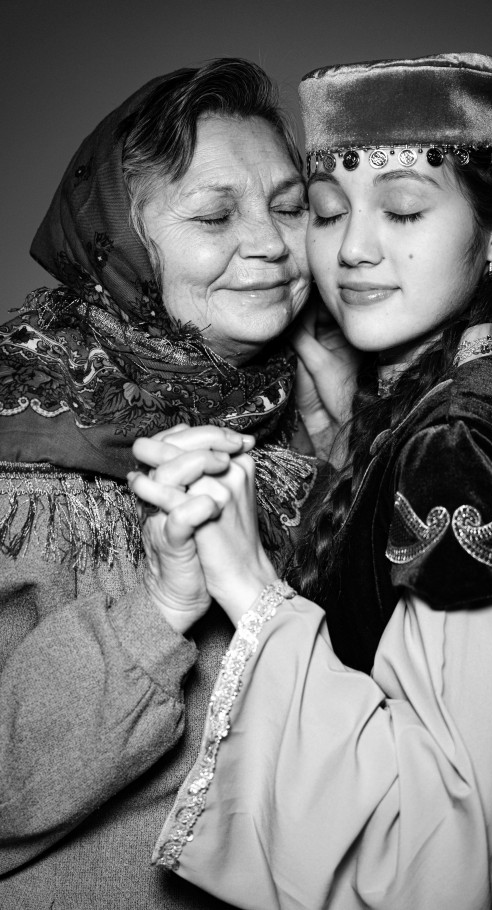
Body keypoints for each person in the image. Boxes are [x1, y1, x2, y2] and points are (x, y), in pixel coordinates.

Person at [130, 54, 492, 908]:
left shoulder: (457, 446)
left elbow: (441, 863)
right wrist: (349, 440)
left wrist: (249, 589)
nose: (351, 248)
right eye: (325, 211)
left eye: (404, 210)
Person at [0, 58, 317, 910]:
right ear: (119, 239)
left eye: (291, 207)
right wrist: (158, 608)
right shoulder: (23, 472)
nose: (271, 242)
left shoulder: (302, 426)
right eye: (214, 214)